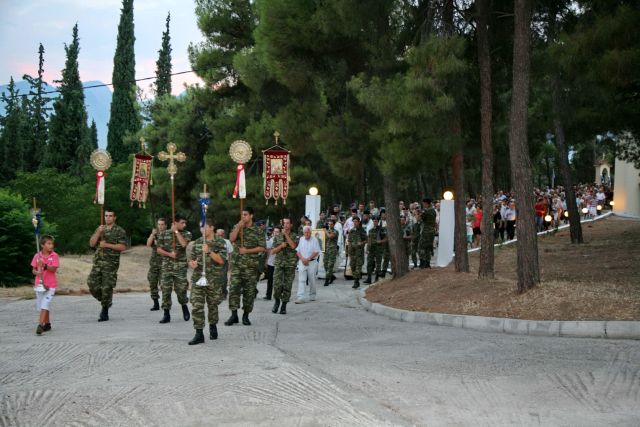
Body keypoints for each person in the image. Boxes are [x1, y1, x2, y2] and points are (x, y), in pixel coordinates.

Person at [187, 218, 227, 345]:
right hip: (198, 279)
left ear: (211, 228)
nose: (201, 230)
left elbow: (221, 260)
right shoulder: (197, 242)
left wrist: (209, 251)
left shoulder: (220, 242)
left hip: (213, 279)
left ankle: (213, 325)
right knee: (196, 305)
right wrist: (192, 264)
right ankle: (199, 333)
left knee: (212, 305)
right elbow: (192, 260)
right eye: (200, 227)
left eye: (203, 227)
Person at [225, 207, 266, 326]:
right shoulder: (238, 227)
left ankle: (246, 315)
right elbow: (232, 239)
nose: (243, 217)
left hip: (251, 267)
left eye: (246, 214)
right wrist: (238, 227)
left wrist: (247, 251)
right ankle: (233, 315)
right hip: (237, 265)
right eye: (242, 215)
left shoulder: (258, 230)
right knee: (233, 290)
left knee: (249, 292)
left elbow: (262, 247)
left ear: (251, 216)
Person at [87, 208, 126, 322]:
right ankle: (106, 301)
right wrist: (98, 232)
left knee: (107, 287)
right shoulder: (100, 229)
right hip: (98, 262)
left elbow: (122, 247)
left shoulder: (119, 231)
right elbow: (91, 243)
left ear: (114, 218)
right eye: (106, 216)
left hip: (111, 264)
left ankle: (104, 311)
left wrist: (107, 245)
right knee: (91, 284)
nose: (107, 218)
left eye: (110, 216)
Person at [156, 214, 192, 324]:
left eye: (185, 223)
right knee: (166, 290)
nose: (184, 225)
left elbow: (184, 244)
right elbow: (158, 250)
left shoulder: (187, 234)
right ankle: (166, 313)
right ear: (175, 223)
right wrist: (169, 254)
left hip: (180, 267)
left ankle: (184, 306)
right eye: (182, 223)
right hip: (167, 266)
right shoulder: (164, 234)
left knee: (181, 289)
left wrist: (176, 232)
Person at [31, 235, 59, 335]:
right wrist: (37, 272)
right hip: (39, 284)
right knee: (41, 306)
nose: (51, 245)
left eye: (52, 244)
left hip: (50, 285)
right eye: (49, 243)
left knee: (45, 304)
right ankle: (47, 324)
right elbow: (33, 269)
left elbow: (54, 269)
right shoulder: (37, 256)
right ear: (42, 245)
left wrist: (45, 265)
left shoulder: (54, 256)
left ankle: (40, 325)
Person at [271, 217, 298, 314]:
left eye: (287, 223)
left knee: (287, 285)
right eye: (284, 223)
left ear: (291, 225)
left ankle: (284, 305)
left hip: (290, 264)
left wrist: (286, 235)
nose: (285, 225)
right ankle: (277, 301)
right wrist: (280, 247)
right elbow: (273, 251)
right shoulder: (277, 236)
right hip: (279, 263)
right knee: (277, 285)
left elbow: (293, 246)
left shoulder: (295, 235)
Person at [295, 225, 321, 303]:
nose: (306, 234)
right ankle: (301, 297)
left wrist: (308, 259)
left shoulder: (315, 240)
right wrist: (303, 259)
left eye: (308, 232)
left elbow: (316, 252)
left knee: (312, 279)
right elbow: (298, 251)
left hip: (312, 262)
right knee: (301, 280)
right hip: (302, 262)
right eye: (305, 232)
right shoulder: (301, 239)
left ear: (310, 232)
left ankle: (312, 295)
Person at [146, 218, 167, 311]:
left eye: (162, 224)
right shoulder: (155, 235)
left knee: (164, 285)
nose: (160, 226)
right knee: (152, 283)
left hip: (164, 264)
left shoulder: (169, 235)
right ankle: (155, 303)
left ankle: (166, 303)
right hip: (154, 264)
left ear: (166, 226)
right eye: (159, 224)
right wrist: (152, 234)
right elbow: (148, 244)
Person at [347, 216, 367, 288]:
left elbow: (366, 240)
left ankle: (356, 281)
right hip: (352, 252)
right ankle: (356, 279)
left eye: (356, 221)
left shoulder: (362, 230)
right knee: (352, 266)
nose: (354, 223)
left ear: (359, 222)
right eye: (353, 222)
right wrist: (348, 251)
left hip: (359, 252)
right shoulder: (352, 230)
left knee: (358, 267)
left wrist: (361, 243)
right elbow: (349, 241)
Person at [364, 216, 385, 284]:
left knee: (378, 264)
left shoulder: (381, 230)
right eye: (374, 221)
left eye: (376, 221)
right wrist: (367, 249)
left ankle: (377, 277)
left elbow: (386, 239)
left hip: (378, 249)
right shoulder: (370, 230)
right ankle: (369, 278)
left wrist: (381, 241)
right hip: (371, 249)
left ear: (378, 222)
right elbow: (369, 240)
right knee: (369, 263)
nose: (375, 222)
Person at [419, 198, 437, 268]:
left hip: (426, 231)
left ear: (426, 203)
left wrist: (419, 214)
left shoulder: (426, 211)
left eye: (423, 203)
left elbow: (420, 219)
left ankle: (422, 262)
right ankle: (427, 263)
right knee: (428, 247)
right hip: (432, 231)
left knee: (421, 247)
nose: (423, 205)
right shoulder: (433, 211)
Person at [263, 226, 279, 300]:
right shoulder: (270, 241)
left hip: (279, 263)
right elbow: (268, 251)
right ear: (273, 232)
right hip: (271, 262)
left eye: (277, 232)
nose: (276, 233)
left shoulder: (281, 241)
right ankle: (268, 295)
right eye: (275, 232)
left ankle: (278, 295)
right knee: (270, 279)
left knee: (278, 280)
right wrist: (266, 260)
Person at [216, 228, 233, 299]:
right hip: (215, 261)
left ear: (223, 235)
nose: (220, 236)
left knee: (223, 278)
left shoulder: (227, 242)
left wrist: (230, 262)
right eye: (218, 234)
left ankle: (224, 293)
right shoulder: (213, 241)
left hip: (224, 262)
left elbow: (230, 253)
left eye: (221, 234)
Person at [323, 220, 338, 286]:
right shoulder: (327, 231)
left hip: (332, 250)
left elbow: (330, 236)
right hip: (326, 250)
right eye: (329, 224)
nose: (329, 225)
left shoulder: (335, 231)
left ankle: (327, 280)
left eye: (331, 224)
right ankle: (331, 276)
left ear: (333, 225)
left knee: (330, 265)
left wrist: (325, 231)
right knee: (325, 265)